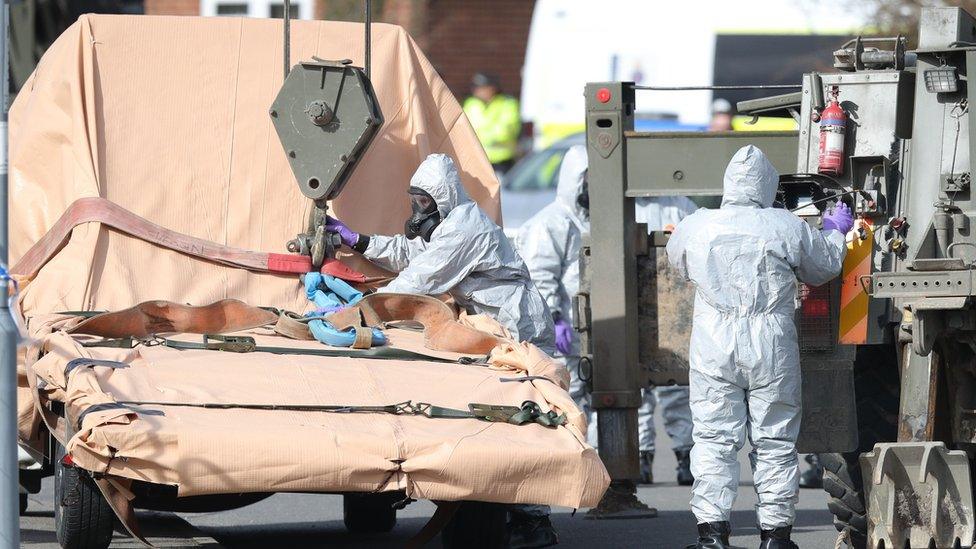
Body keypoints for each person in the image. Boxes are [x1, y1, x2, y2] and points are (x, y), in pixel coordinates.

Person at [325, 153, 559, 548]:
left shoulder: (465, 229)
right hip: (495, 320)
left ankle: (534, 524)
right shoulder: (451, 223)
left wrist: (354, 313)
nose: (418, 211)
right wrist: (358, 240)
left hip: (517, 322)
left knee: (525, 419)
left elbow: (419, 279)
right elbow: (411, 254)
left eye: (425, 203)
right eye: (415, 201)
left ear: (444, 198)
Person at [666, 145, 851, 549]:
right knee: (775, 440)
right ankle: (776, 535)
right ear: (767, 184)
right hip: (771, 341)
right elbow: (824, 267)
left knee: (714, 439)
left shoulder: (696, 224)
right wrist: (835, 230)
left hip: (714, 342)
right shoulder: (784, 225)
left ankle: (712, 535)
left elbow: (676, 263)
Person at [517, 145, 596, 445]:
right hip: (564, 331)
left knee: (589, 403)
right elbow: (540, 274)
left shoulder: (589, 220)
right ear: (574, 179)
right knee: (567, 400)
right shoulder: (550, 223)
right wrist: (556, 317)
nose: (592, 185)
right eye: (587, 178)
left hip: (589, 332)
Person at [634, 196, 697, 486]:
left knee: (678, 386)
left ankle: (685, 457)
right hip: (636, 307)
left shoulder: (682, 205)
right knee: (638, 389)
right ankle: (641, 457)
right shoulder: (621, 202)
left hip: (675, 307)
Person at [463, 73, 522, 176]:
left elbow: (505, 132)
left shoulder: (507, 104)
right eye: (476, 88)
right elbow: (463, 130)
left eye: (483, 87)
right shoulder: (470, 104)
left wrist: (478, 135)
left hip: (501, 160)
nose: (479, 91)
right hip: (477, 160)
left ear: (493, 88)